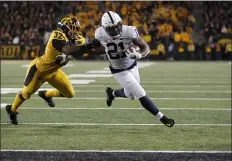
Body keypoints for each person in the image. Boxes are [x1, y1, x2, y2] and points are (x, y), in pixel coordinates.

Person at [6, 16, 101, 125]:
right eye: (72, 28)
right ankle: (12, 110)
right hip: (39, 70)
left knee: (70, 93)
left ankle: (46, 94)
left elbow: (78, 53)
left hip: (54, 71)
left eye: (76, 28)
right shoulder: (57, 35)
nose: (75, 31)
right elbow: (67, 50)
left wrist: (90, 47)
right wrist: (87, 46)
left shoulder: (78, 39)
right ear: (64, 28)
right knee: (26, 93)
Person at [95, 11, 175, 127]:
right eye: (112, 29)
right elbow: (99, 49)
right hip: (119, 70)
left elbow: (145, 47)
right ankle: (162, 118)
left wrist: (139, 55)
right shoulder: (99, 33)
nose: (116, 30)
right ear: (105, 28)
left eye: (117, 26)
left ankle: (112, 93)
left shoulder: (129, 31)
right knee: (140, 93)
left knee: (130, 94)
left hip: (132, 66)